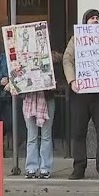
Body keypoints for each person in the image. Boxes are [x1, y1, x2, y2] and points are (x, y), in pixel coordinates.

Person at [63, 9, 99, 180]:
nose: (95, 20)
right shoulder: (76, 39)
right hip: (80, 93)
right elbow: (67, 59)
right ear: (85, 21)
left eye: (98, 18)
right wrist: (72, 81)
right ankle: (79, 167)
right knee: (78, 132)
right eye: (92, 18)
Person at [19, 50, 63, 179]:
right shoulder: (24, 57)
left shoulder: (51, 57)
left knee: (45, 135)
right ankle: (31, 167)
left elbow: (58, 75)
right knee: (32, 136)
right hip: (29, 99)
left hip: (46, 98)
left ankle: (45, 167)